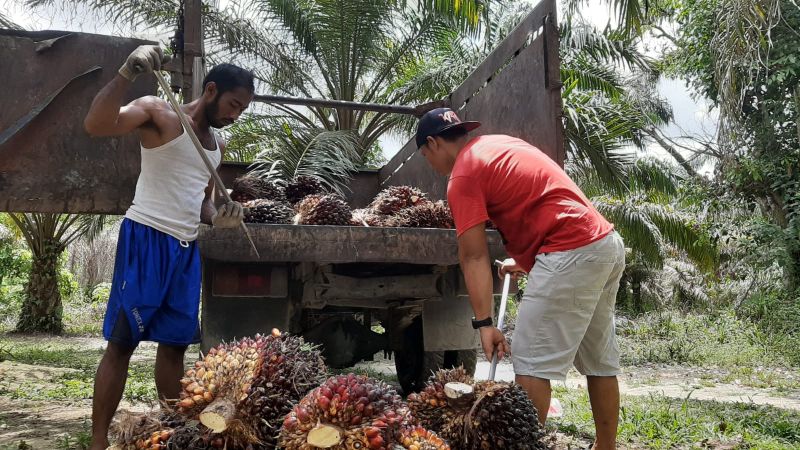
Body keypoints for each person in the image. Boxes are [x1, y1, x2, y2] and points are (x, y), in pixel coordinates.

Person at [415, 107, 625, 450]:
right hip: (603, 244)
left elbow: (473, 254)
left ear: (434, 143)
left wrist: (484, 323)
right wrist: (527, 260)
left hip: (570, 250)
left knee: (529, 364)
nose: (431, 164)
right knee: (599, 362)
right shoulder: (498, 145)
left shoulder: (463, 176)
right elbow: (541, 202)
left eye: (426, 155)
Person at [83, 45, 254, 450]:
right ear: (210, 90)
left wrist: (220, 216)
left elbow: (203, 203)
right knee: (122, 344)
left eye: (242, 109)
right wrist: (126, 73)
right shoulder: (158, 112)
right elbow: (97, 124)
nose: (235, 115)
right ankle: (97, 440)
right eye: (233, 104)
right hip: (146, 238)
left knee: (175, 346)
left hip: (185, 248)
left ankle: (174, 434)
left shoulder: (216, 146)